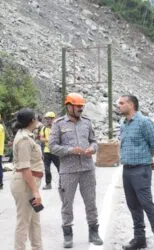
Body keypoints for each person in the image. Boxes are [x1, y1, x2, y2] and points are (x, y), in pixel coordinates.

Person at [49, 93, 103, 248]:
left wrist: (92, 149)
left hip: (87, 169)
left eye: (82, 106)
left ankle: (94, 232)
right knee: (67, 203)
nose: (81, 109)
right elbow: (52, 147)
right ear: (69, 106)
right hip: (68, 171)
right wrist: (72, 150)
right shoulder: (58, 124)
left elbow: (94, 141)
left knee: (91, 202)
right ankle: (68, 235)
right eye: (78, 106)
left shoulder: (87, 123)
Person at [118, 95, 154, 250]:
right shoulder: (124, 123)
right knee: (133, 205)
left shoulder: (144, 122)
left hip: (141, 170)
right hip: (126, 170)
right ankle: (140, 239)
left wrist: (146, 159)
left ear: (131, 104)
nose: (118, 105)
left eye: (121, 103)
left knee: (147, 203)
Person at [10, 108, 44, 250]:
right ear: (32, 121)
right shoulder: (24, 139)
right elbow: (25, 169)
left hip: (30, 183)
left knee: (34, 223)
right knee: (23, 223)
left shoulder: (27, 135)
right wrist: (35, 192)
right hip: (26, 184)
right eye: (36, 117)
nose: (37, 119)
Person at [40, 111, 60, 190]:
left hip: (55, 151)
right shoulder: (44, 128)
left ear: (53, 119)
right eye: (47, 119)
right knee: (46, 169)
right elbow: (41, 138)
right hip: (46, 151)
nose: (48, 120)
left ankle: (62, 183)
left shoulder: (58, 128)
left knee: (60, 168)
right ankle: (48, 184)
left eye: (49, 119)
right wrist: (48, 140)